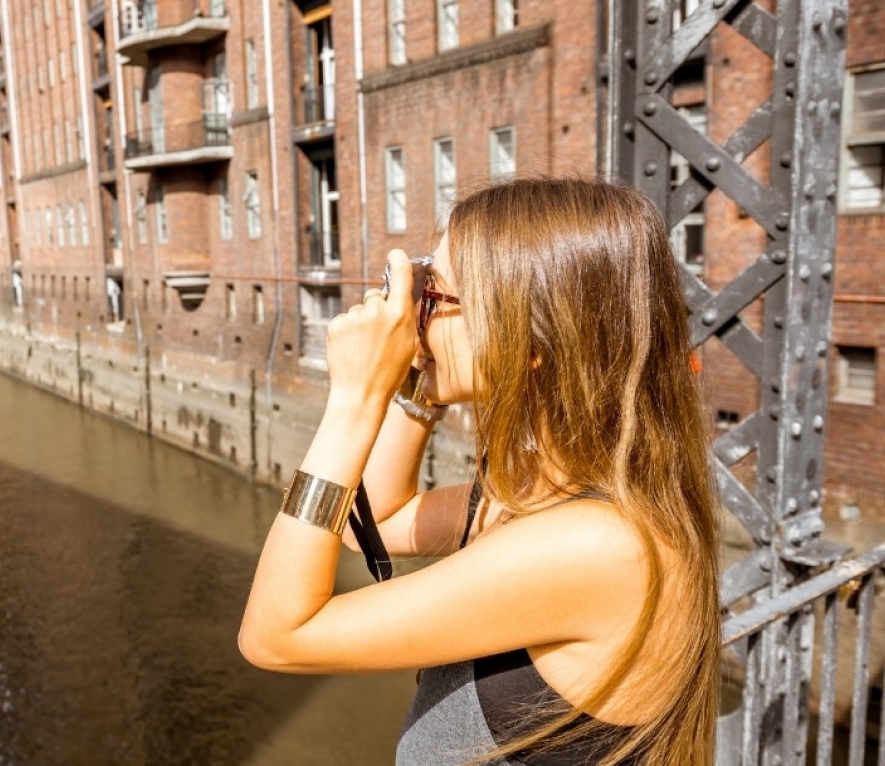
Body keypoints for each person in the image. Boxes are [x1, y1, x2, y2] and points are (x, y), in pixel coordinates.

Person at [238, 178, 718, 765]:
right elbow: (382, 523)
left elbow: (277, 638)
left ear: (531, 338)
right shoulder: (543, 495)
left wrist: (355, 399)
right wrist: (416, 377)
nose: (414, 312)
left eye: (433, 293)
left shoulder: (598, 545)